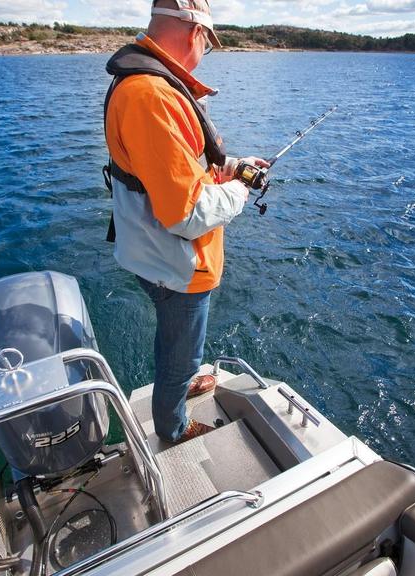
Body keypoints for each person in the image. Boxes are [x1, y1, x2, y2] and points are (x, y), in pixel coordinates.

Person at [103, 0, 268, 443]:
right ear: (197, 34)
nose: (203, 53)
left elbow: (177, 166)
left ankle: (180, 378)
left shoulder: (148, 86)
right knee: (179, 354)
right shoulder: (152, 95)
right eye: (208, 46)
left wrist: (231, 166)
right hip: (177, 267)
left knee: (178, 346)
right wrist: (242, 189)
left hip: (153, 253)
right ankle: (173, 427)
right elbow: (188, 215)